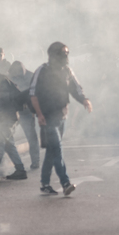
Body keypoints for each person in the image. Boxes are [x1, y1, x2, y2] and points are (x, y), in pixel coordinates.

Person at [30, 42, 92, 195]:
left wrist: (84, 100)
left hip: (62, 116)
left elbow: (76, 88)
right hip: (47, 118)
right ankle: (65, 183)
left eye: (67, 53)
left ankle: (44, 184)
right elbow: (33, 94)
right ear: (53, 55)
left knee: (51, 151)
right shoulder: (42, 70)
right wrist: (39, 114)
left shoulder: (67, 71)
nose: (66, 56)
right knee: (57, 149)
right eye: (63, 53)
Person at [8, 61, 40, 169]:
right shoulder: (10, 76)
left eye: (18, 74)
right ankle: (5, 165)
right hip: (13, 111)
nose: (16, 76)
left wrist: (34, 111)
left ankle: (35, 161)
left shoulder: (31, 77)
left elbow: (35, 95)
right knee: (6, 137)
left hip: (27, 112)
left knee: (31, 137)